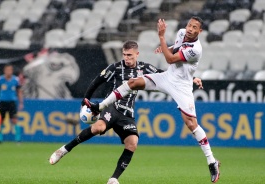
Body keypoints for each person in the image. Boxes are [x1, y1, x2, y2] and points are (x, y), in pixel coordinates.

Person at [84, 16, 220, 183]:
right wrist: (167, 47)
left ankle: (212, 161)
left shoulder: (196, 49)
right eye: (189, 25)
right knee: (132, 83)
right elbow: (175, 51)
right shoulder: (181, 33)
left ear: (200, 31)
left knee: (191, 124)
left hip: (182, 86)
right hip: (167, 77)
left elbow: (170, 59)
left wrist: (161, 38)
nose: (190, 29)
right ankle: (100, 106)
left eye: (195, 27)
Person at [49, 40, 203, 184]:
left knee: (132, 143)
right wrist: (85, 99)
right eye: (124, 55)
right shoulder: (115, 67)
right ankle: (64, 150)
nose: (126, 58)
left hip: (127, 114)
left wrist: (192, 78)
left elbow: (168, 76)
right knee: (98, 128)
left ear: (137, 54)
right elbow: (97, 81)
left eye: (129, 55)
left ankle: (113, 179)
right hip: (112, 107)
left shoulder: (145, 68)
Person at [0, 64, 23, 144]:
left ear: (12, 71)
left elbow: (19, 92)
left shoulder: (16, 80)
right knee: (1, 120)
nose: (9, 71)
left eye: (10, 70)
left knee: (14, 120)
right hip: (2, 102)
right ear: (4, 71)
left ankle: (18, 140)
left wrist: (21, 102)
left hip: (12, 103)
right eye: (7, 70)